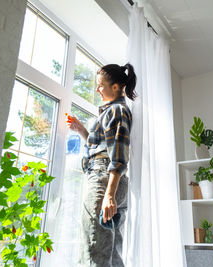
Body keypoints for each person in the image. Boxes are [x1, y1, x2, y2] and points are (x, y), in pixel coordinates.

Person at [67, 63, 137, 267]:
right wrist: (81, 130)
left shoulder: (116, 110)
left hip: (105, 180)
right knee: (111, 251)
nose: (97, 89)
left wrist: (108, 195)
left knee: (94, 249)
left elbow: (118, 155)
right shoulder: (115, 111)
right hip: (112, 181)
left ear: (116, 86)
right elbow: (105, 147)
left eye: (100, 85)